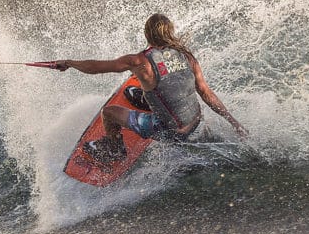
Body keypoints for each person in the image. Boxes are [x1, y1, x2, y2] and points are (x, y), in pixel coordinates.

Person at [55, 13, 246, 162]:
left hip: (172, 132)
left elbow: (96, 68)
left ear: (147, 34)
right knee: (148, 87)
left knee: (109, 113)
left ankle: (114, 149)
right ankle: (145, 101)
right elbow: (205, 92)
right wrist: (233, 121)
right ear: (170, 32)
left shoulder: (140, 62)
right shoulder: (187, 56)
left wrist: (70, 63)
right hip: (196, 121)